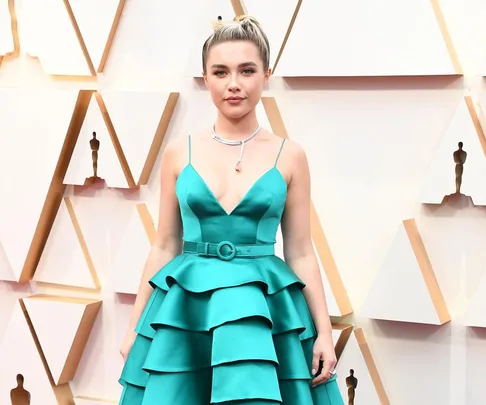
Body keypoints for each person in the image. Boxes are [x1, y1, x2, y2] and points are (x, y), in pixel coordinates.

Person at [117, 15, 344, 405]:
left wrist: (323, 331)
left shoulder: (290, 155)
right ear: (205, 78)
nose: (233, 83)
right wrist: (137, 327)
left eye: (247, 70)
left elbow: (301, 251)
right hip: (186, 313)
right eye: (220, 72)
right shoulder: (178, 151)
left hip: (262, 311)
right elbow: (164, 246)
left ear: (266, 74)